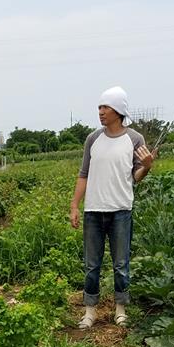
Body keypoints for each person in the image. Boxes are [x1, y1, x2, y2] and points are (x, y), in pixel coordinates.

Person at [69, 86, 156, 329]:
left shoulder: (135, 139)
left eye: (105, 107)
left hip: (120, 210)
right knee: (91, 264)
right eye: (99, 107)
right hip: (94, 211)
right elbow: (83, 174)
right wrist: (75, 205)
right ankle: (90, 311)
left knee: (121, 263)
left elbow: (136, 177)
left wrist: (147, 166)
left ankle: (120, 309)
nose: (101, 112)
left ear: (118, 110)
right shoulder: (93, 139)